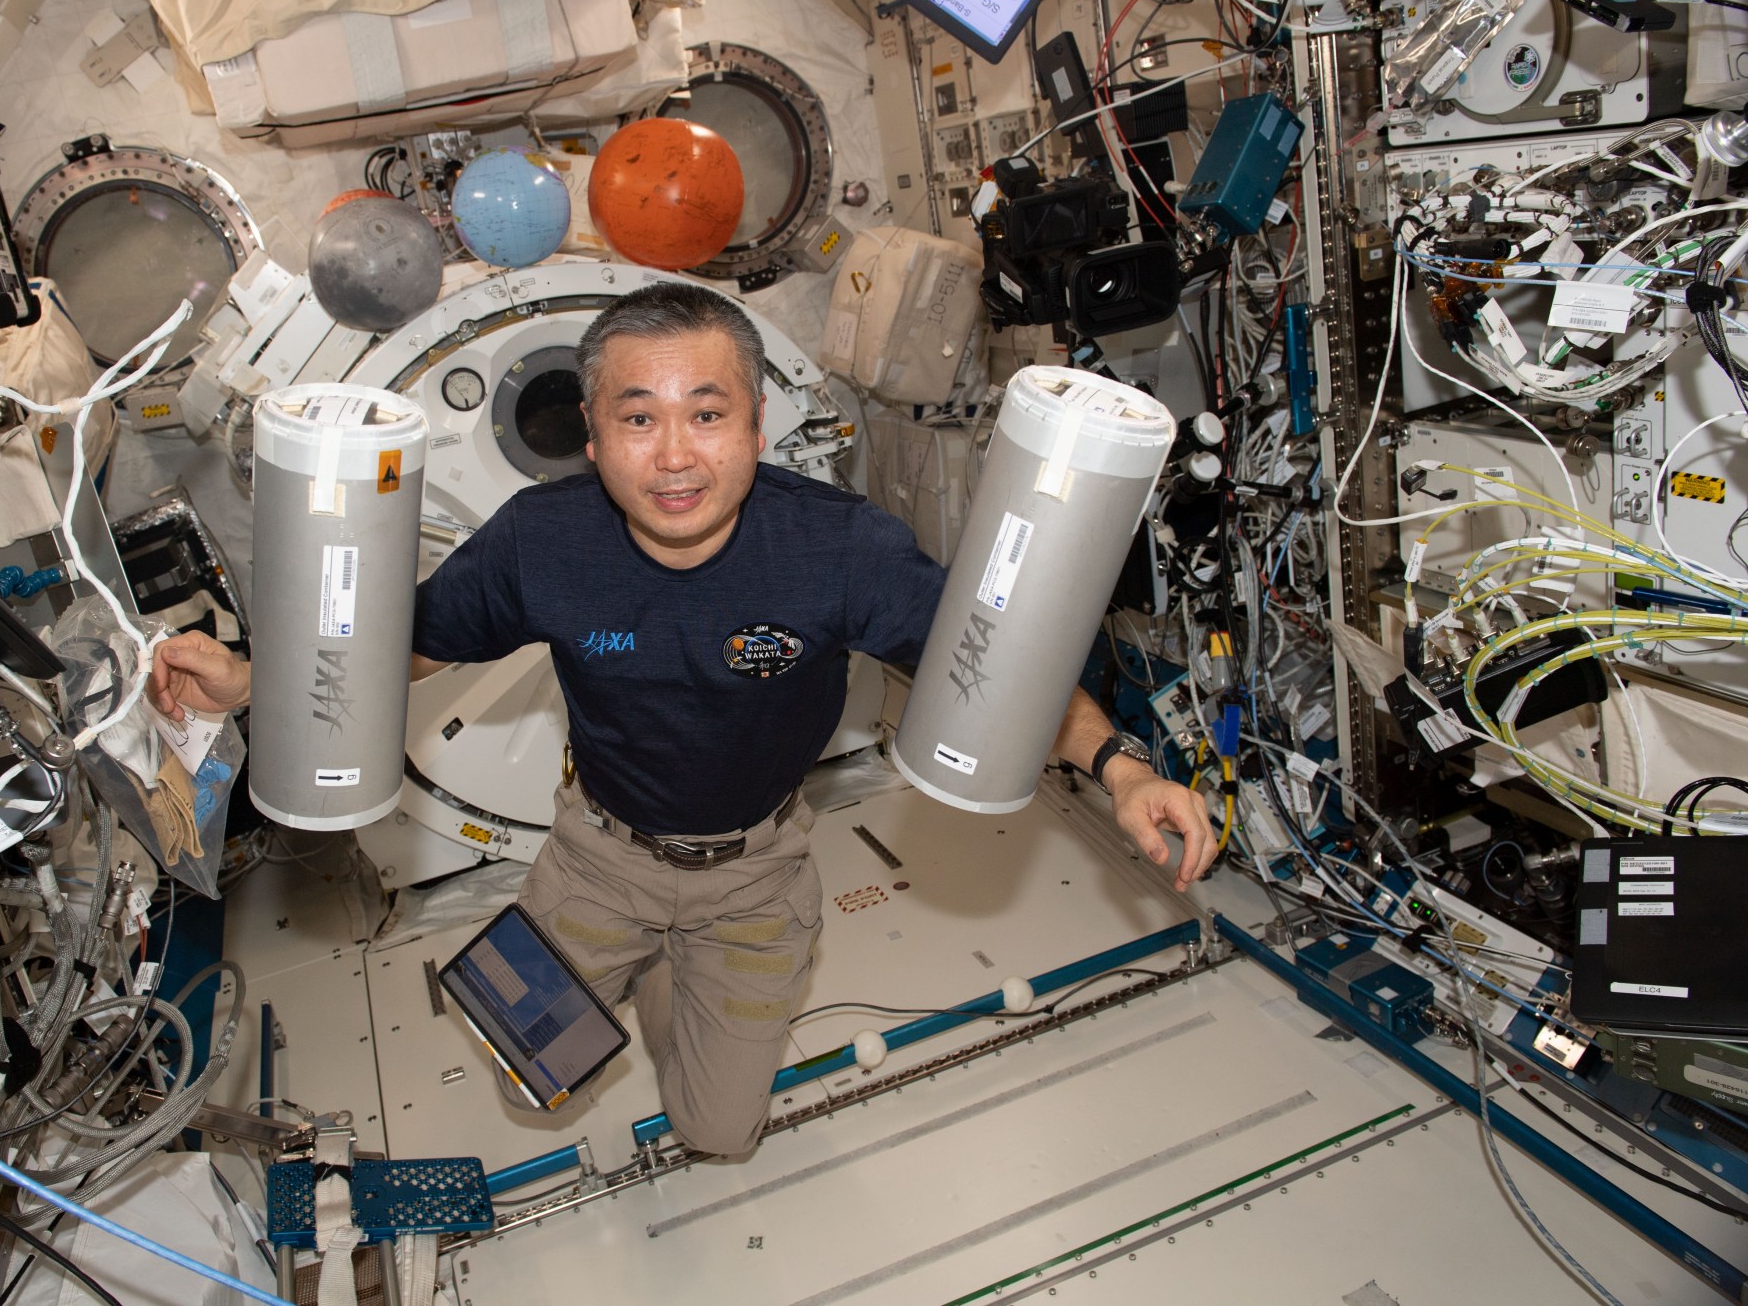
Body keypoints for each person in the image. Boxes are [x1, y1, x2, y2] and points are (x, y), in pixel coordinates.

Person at [152, 281, 1216, 1158]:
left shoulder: (837, 549)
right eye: (638, 417)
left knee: (721, 1135)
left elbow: (1001, 670)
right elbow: (403, 642)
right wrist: (251, 678)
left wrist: (1119, 767)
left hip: (754, 876)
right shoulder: (540, 541)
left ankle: (681, 988)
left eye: (707, 415)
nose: (673, 456)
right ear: (591, 433)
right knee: (532, 1092)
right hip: (592, 862)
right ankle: (627, 964)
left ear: (756, 426)